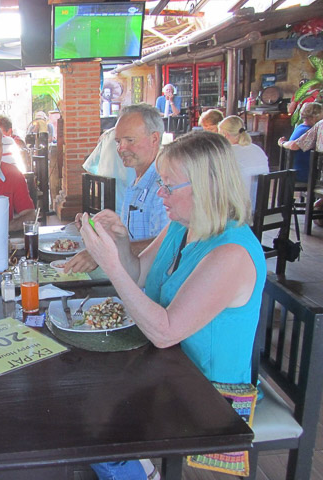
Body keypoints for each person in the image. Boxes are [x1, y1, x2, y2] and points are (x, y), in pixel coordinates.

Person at [79, 131, 266, 480]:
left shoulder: (232, 253)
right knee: (85, 388)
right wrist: (121, 243)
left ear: (207, 187)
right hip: (169, 368)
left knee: (96, 411)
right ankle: (132, 466)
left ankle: (139, 471)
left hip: (209, 395)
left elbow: (165, 332)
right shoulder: (182, 226)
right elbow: (138, 273)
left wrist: (110, 265)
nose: (159, 193)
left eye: (168, 186)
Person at [66, 104, 168, 273]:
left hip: (151, 285)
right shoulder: (136, 182)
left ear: (154, 139)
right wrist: (98, 227)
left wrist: (100, 253)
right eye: (119, 142)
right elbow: (131, 237)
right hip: (130, 276)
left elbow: (167, 244)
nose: (121, 149)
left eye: (130, 140)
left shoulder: (164, 186)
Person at [218, 115, 269, 210]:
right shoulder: (258, 149)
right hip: (259, 205)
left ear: (225, 134)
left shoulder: (228, 153)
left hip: (239, 209)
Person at [82, 127, 136, 210]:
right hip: (129, 211)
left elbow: (90, 167)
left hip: (105, 208)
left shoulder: (108, 135)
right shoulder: (142, 138)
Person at [278, 102, 323, 182]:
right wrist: (282, 143)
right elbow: (294, 145)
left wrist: (282, 143)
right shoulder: (307, 131)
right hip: (304, 174)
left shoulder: (300, 127)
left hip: (296, 171)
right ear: (315, 117)